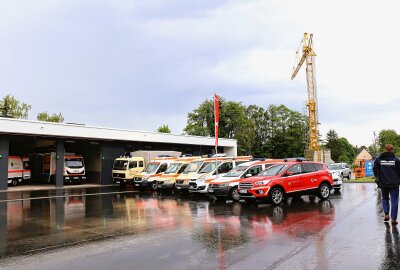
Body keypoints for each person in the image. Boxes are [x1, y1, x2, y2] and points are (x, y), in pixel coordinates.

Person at [374, 144, 400, 225]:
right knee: (394, 201)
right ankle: (393, 219)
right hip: (394, 184)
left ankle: (386, 214)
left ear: (385, 149)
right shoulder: (396, 160)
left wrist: (378, 179)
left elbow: (375, 170)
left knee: (385, 199)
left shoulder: (378, 159)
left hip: (383, 184)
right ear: (392, 150)